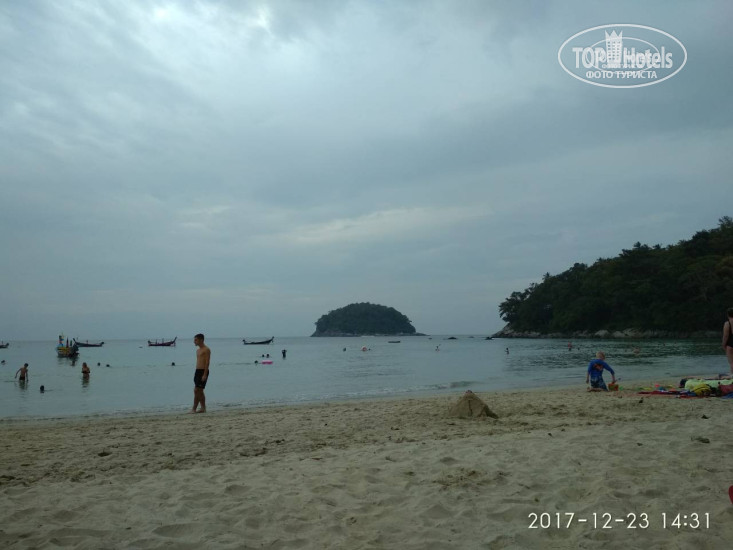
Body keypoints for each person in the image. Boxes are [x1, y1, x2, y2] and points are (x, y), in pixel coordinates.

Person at [192, 333, 211, 413]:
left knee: (197, 390)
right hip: (197, 371)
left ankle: (195, 409)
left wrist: (205, 374)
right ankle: (202, 408)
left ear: (201, 340)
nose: (194, 341)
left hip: (203, 371)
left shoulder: (206, 349)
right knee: (198, 391)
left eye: (196, 340)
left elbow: (207, 362)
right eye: (194, 340)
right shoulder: (198, 350)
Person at [723, 308, 733, 374]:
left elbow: (726, 336)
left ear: (728, 315)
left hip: (731, 344)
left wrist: (723, 344)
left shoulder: (727, 323)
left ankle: (732, 376)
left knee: (732, 362)